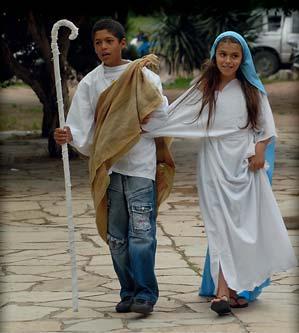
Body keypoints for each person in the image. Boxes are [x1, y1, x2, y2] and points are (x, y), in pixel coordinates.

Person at [143, 31, 297, 315]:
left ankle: (233, 290)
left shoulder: (252, 89)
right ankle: (223, 291)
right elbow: (176, 114)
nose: (228, 60)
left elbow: (266, 128)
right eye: (223, 54)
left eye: (234, 56)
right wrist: (143, 122)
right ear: (215, 55)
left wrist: (260, 153)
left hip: (244, 167)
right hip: (213, 164)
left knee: (241, 229)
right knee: (219, 226)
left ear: (243, 59)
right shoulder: (205, 87)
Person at [54, 18, 174, 315]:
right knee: (116, 237)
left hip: (141, 168)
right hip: (110, 170)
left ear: (122, 43)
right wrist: (67, 135)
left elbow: (162, 118)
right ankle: (128, 290)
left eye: (109, 41)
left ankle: (146, 293)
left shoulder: (144, 77)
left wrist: (143, 121)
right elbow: (81, 127)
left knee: (142, 234)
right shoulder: (91, 83)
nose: (103, 47)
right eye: (98, 43)